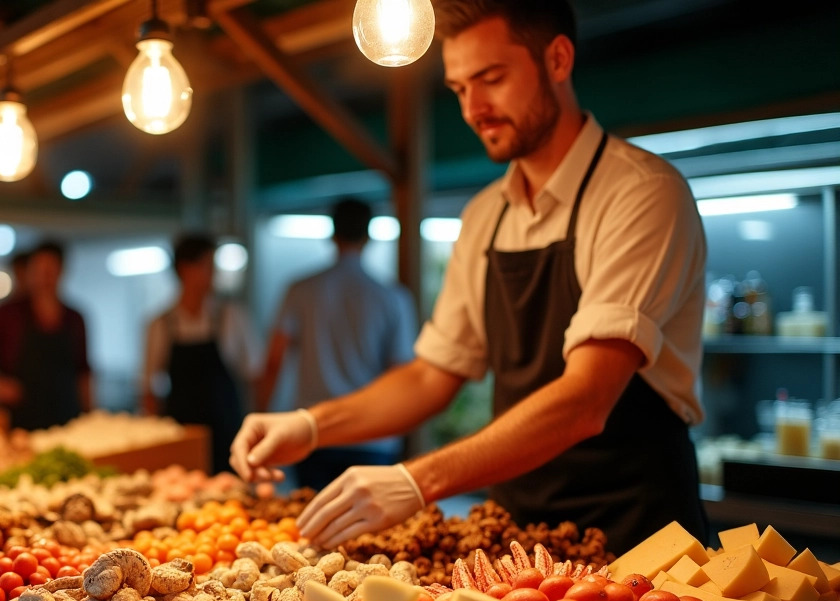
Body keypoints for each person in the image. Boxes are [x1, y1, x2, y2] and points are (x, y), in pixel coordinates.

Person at [230, 0, 708, 556]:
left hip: (640, 531)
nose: (473, 108)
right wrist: (309, 424)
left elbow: (586, 398)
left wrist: (417, 480)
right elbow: (432, 375)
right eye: (459, 89)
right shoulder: (486, 215)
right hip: (521, 534)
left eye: (491, 79)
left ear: (557, 59)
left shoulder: (641, 193)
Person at [255, 197, 417, 490]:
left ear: (332, 234)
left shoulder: (301, 290)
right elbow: (403, 373)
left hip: (313, 431)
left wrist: (261, 422)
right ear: (368, 236)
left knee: (310, 528)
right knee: (373, 533)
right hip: (372, 435)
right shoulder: (393, 297)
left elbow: (273, 362)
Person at [141, 233, 257, 473]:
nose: (213, 274)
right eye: (207, 265)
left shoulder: (230, 316)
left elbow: (254, 374)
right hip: (184, 435)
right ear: (185, 269)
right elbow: (149, 388)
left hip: (227, 431)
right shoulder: (161, 324)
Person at [0, 240, 92, 430]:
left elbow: (84, 371)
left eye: (50, 270)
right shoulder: (10, 313)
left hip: (66, 416)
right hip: (20, 417)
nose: (45, 277)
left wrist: (89, 413)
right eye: (39, 270)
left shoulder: (75, 318)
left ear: (62, 271)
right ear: (30, 272)